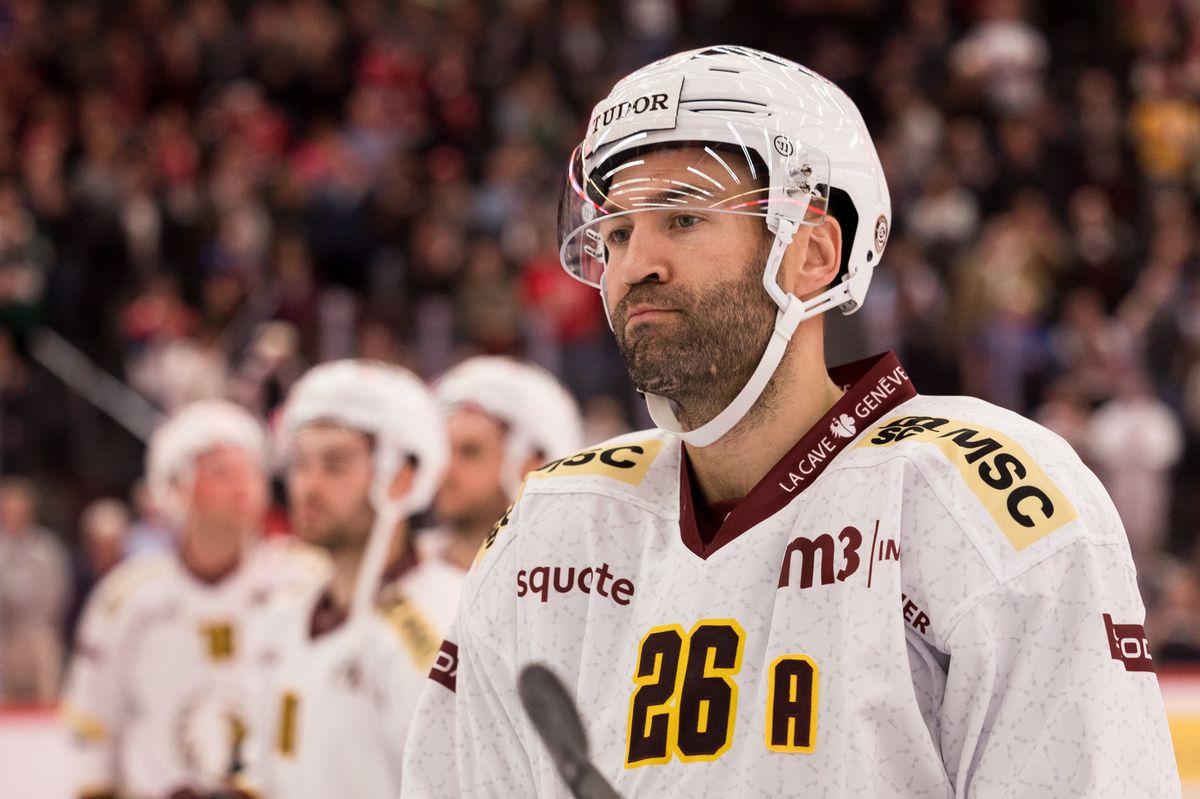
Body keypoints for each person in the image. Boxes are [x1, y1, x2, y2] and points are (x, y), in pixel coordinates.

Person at [402, 46, 1180, 797]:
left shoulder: (975, 501)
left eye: (680, 218)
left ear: (813, 253)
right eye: (615, 233)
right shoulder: (555, 528)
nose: (633, 264)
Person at [62, 399, 328, 799]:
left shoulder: (307, 580)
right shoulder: (127, 596)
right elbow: (93, 724)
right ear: (173, 487)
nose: (243, 486)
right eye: (222, 472)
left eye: (251, 470)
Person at [239, 359, 456, 799]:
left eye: (335, 464)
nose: (308, 486)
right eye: (300, 464)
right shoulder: (284, 612)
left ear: (403, 477)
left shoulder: (441, 625)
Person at [428, 356, 584, 572]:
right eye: (443, 450)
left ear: (533, 464)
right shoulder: (395, 574)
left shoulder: (571, 581)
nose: (446, 468)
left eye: (470, 451)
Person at [0, 476, 70, 703]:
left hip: (39, 632)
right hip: (5, 634)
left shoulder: (46, 547)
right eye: (8, 510)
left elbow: (59, 593)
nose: (14, 516)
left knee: (46, 698)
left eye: (18, 510)